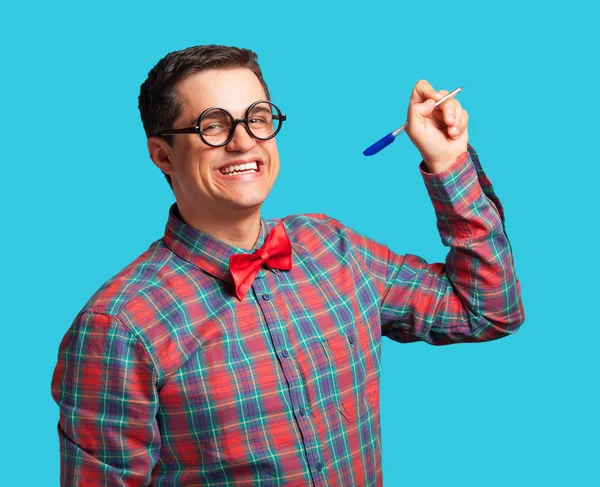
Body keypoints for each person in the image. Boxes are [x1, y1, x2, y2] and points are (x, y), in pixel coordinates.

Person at [51, 44, 525, 486]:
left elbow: (486, 310)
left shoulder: (334, 248)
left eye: (257, 118)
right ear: (162, 154)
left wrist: (447, 161)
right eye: (213, 125)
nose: (244, 142)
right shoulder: (118, 326)